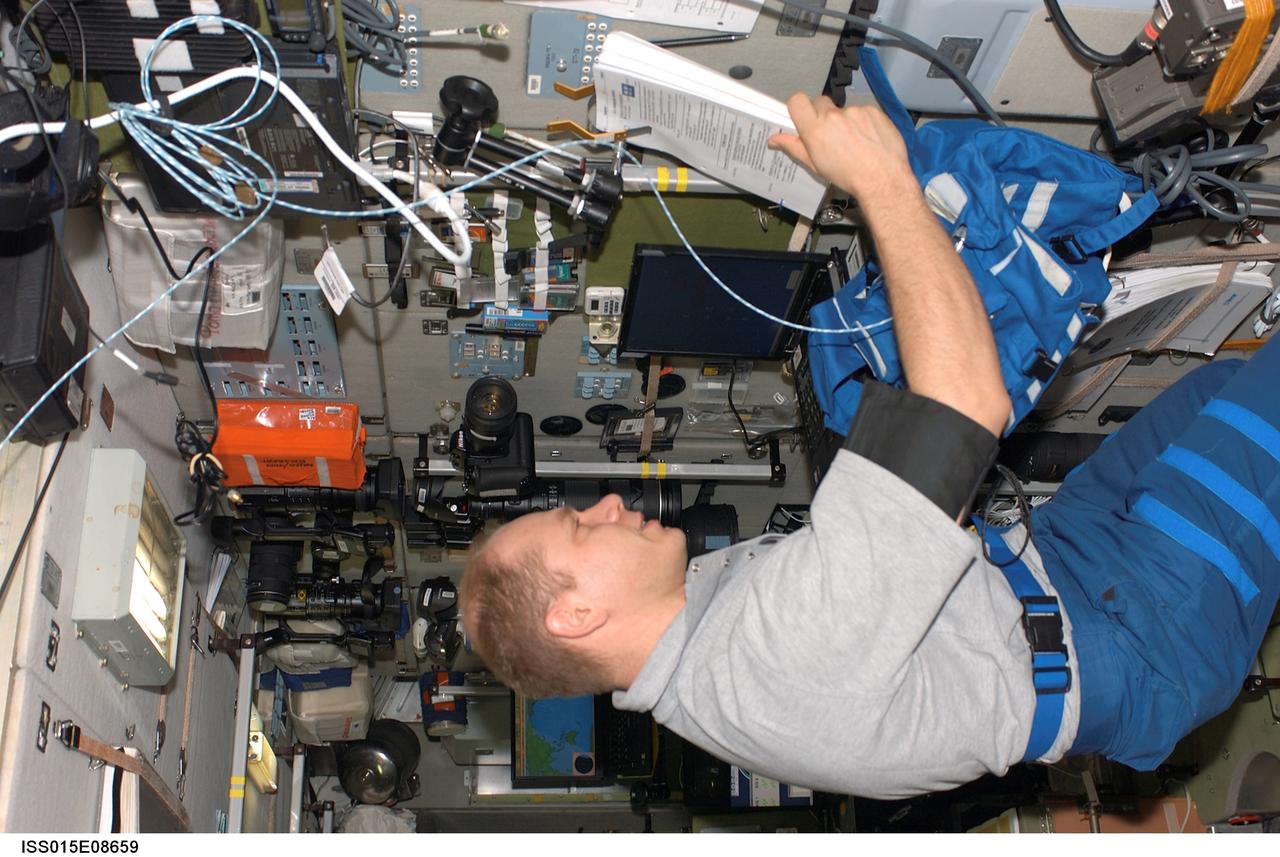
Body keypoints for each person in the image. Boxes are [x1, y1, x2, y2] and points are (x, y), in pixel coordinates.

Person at [459, 94, 1280, 798]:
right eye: (577, 527)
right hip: (1138, 629)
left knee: (1222, 387)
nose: (606, 503)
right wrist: (883, 181)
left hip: (1062, 564)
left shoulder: (696, 646)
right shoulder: (764, 657)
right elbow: (966, 403)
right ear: (575, 615)